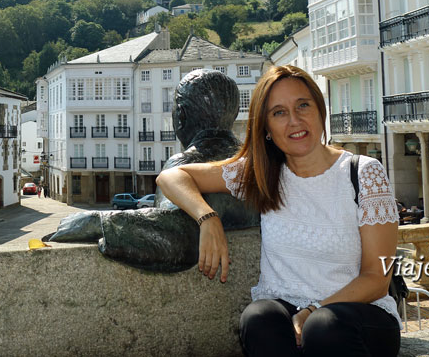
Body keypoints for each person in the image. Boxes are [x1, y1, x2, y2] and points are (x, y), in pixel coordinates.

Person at [156, 65, 400, 357]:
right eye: (279, 113)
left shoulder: (362, 173)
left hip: (359, 316)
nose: (294, 121)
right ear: (267, 128)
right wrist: (208, 218)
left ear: (320, 111)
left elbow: (377, 277)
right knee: (258, 319)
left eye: (303, 105)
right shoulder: (261, 173)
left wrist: (314, 309)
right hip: (288, 308)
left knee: (323, 326)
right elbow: (171, 177)